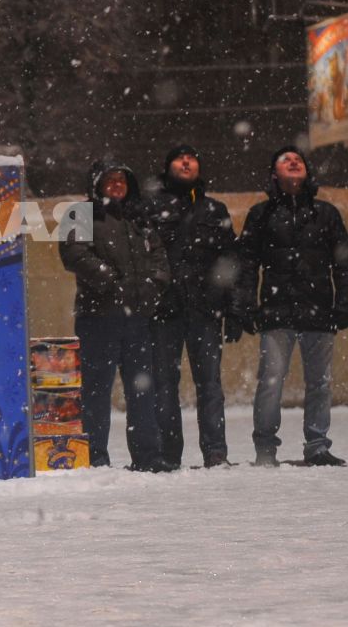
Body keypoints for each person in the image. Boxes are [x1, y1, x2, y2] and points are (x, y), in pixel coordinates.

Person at [234, 146, 348, 466]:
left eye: (298, 160)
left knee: (320, 383)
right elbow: (246, 264)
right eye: (285, 160)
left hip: (319, 311)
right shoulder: (261, 215)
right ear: (274, 174)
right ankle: (265, 448)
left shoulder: (325, 214)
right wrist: (246, 306)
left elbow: (345, 263)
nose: (293, 162)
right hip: (276, 312)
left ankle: (317, 446)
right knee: (271, 382)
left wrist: (345, 305)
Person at [59, 160, 172, 471]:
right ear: (97, 183)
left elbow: (160, 257)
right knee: (96, 390)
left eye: (122, 179)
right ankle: (95, 456)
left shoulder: (139, 217)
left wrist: (154, 284)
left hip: (138, 318)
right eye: (110, 179)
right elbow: (74, 255)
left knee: (142, 389)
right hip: (99, 317)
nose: (117, 184)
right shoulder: (78, 214)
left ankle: (147, 456)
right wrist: (110, 281)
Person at [139, 144, 240, 467]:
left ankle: (215, 452)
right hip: (164, 310)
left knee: (210, 384)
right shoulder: (149, 208)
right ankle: (169, 454)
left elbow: (230, 260)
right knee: (164, 385)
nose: (186, 162)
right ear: (167, 167)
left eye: (192, 157)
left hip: (205, 310)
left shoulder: (214, 210)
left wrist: (234, 307)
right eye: (179, 158)